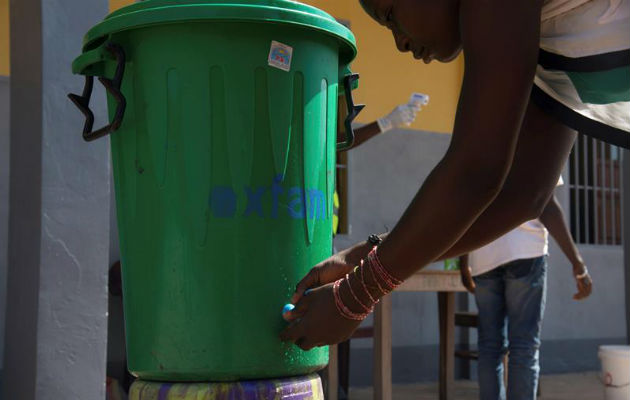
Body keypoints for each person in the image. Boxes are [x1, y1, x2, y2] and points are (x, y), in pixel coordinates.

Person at [280, 0, 628, 350]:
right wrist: (362, 257)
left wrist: (356, 294)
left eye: (390, 17)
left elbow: (476, 171)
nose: (399, 43)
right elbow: (524, 195)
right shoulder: (537, 42)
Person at [458, 184, 591, 400]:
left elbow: (466, 208)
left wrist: (464, 262)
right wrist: (578, 263)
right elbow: (546, 204)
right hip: (525, 250)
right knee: (524, 347)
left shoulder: (476, 149)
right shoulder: (540, 147)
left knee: (489, 347)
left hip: (482, 255)